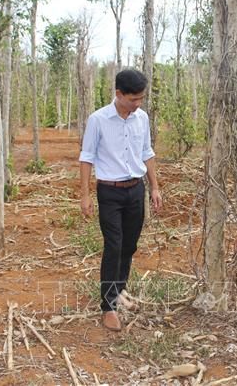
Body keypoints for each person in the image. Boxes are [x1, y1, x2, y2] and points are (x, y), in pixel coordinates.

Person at [79, 69, 162, 331]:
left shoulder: (142, 118)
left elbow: (147, 152)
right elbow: (87, 157)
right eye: (133, 99)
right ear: (118, 94)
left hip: (135, 190)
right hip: (110, 192)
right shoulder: (98, 120)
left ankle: (119, 290)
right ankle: (107, 306)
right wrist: (85, 194)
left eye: (141, 99)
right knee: (113, 246)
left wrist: (155, 187)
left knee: (129, 245)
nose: (138, 104)